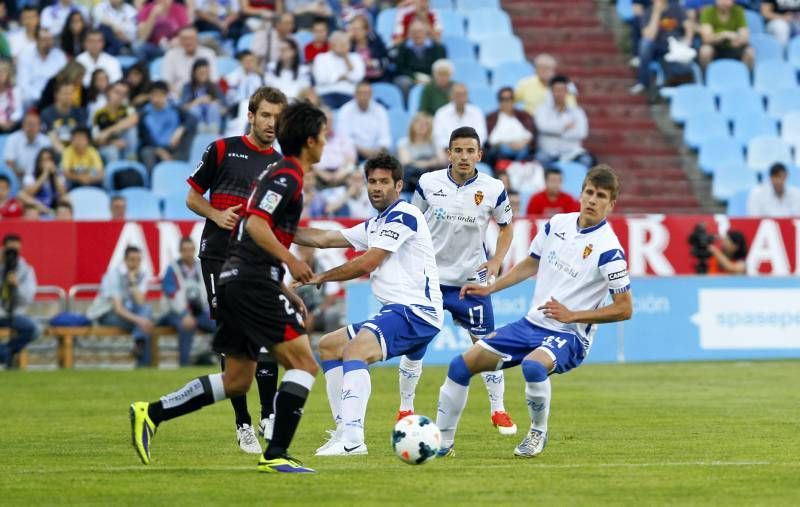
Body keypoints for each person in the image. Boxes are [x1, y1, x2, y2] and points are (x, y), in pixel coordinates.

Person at [130, 101, 325, 474]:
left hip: (239, 276)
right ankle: (276, 452)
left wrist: (283, 284)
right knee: (303, 363)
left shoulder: (277, 171)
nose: (326, 143)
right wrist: (291, 261)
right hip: (250, 280)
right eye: (324, 136)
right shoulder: (287, 176)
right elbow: (254, 225)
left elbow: (250, 229)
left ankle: (151, 413)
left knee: (237, 380)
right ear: (311, 141)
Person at [434, 165, 633, 458]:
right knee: (460, 365)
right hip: (531, 324)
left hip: (570, 335)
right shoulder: (557, 224)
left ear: (610, 204)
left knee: (533, 366)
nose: (592, 200)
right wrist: (491, 288)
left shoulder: (609, 250)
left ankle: (537, 432)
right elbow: (530, 263)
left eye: (601, 196)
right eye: (589, 192)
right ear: (580, 193)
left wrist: (572, 315)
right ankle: (442, 443)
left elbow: (625, 308)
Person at [291, 153, 442, 456]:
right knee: (330, 345)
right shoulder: (375, 224)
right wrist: (272, 228)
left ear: (398, 185)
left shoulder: (405, 214)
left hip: (416, 311)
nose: (376, 187)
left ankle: (353, 439)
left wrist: (320, 275)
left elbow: (367, 263)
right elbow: (323, 238)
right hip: (397, 310)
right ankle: (342, 431)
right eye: (372, 181)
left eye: (384, 182)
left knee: (354, 350)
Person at [186, 86, 287, 454]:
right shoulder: (222, 149)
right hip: (218, 254)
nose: (271, 123)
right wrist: (216, 214)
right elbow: (192, 196)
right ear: (251, 115)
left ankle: (268, 414)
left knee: (267, 331)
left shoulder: (280, 164)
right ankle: (243, 423)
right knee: (235, 337)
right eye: (265, 115)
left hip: (257, 259)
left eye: (277, 117)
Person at [396, 126, 517, 432]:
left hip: (470, 281)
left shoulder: (493, 188)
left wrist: (497, 260)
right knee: (415, 344)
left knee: (488, 345)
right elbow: (413, 223)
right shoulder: (427, 183)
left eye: (470, 151)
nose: (464, 157)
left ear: (480, 154)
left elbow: (506, 226)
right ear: (448, 153)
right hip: (431, 278)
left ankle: (498, 409)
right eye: (458, 150)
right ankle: (405, 407)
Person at [87, 245, 155, 367]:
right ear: (125, 260)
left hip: (127, 314)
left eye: (138, 260)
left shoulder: (141, 275)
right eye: (132, 260)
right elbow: (118, 309)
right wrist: (140, 320)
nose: (135, 263)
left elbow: (140, 303)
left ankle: (139, 344)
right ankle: (143, 362)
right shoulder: (113, 275)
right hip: (106, 314)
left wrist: (132, 281)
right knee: (146, 323)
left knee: (147, 311)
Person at [160, 237, 216, 366]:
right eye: (185, 250)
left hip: (199, 310)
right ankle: (184, 364)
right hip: (175, 313)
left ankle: (210, 357)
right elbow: (171, 296)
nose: (188, 253)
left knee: (219, 324)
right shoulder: (172, 269)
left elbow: (207, 290)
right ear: (180, 251)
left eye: (191, 250)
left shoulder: (201, 267)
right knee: (187, 325)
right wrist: (185, 314)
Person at [630, 0, 694, 94]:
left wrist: (688, 40)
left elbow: (688, 26)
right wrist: (657, 13)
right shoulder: (648, 12)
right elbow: (649, 36)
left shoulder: (676, 8)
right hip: (656, 46)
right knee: (645, 44)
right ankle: (643, 82)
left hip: (674, 45)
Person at [0, 233, 39, 368]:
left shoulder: (25, 269)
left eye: (15, 251)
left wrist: (17, 286)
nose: (12, 254)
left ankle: (5, 353)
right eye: (9, 250)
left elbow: (28, 297)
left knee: (34, 329)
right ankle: (5, 355)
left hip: (13, 313)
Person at [535, 75, 591, 168]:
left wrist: (554, 131)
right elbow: (542, 127)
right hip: (548, 152)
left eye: (562, 90)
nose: (559, 93)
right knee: (539, 160)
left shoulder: (577, 112)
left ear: (567, 92)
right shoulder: (542, 110)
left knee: (587, 161)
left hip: (572, 152)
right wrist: (564, 126)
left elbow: (582, 133)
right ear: (551, 92)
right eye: (556, 90)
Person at [139, 81, 197, 170]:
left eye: (160, 95)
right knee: (146, 152)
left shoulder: (175, 108)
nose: (156, 99)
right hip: (155, 149)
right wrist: (160, 151)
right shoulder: (144, 113)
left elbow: (193, 119)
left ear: (166, 95)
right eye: (153, 95)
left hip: (173, 146)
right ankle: (153, 180)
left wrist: (180, 130)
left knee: (190, 132)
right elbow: (145, 138)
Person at [336, 81, 391, 162]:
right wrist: (364, 152)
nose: (364, 96)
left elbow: (385, 138)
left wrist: (377, 151)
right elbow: (344, 138)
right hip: (354, 152)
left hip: (377, 153)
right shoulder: (345, 111)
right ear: (355, 95)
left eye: (367, 93)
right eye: (361, 93)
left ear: (371, 94)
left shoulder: (380, 110)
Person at [392, 19, 447, 97]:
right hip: (410, 78)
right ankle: (407, 106)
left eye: (420, 31)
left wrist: (428, 79)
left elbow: (441, 66)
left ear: (426, 32)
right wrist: (415, 78)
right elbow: (400, 68)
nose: (417, 35)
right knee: (403, 82)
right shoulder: (402, 47)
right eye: (414, 32)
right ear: (409, 34)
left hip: (432, 77)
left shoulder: (438, 48)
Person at [312, 31, 366, 109]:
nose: (344, 46)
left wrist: (345, 57)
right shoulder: (321, 58)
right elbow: (320, 79)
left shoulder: (355, 57)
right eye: (340, 44)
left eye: (345, 43)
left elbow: (359, 77)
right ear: (332, 45)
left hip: (349, 93)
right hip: (326, 93)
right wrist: (340, 77)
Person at [16, 28, 67, 109]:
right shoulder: (26, 54)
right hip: (32, 97)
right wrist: (41, 97)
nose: (48, 43)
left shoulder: (60, 56)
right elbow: (23, 84)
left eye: (50, 39)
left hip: (53, 97)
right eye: (44, 39)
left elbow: (63, 81)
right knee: (25, 101)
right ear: (37, 40)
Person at [485, 86, 537, 167]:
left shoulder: (523, 116)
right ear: (499, 101)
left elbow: (530, 135)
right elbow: (491, 140)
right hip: (502, 148)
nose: (507, 102)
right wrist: (510, 144)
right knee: (503, 149)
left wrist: (523, 142)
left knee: (525, 150)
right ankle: (513, 168)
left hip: (521, 146)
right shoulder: (492, 118)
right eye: (503, 99)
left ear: (514, 100)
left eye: (509, 99)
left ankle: (514, 168)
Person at [396, 112, 446, 193]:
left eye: (425, 124)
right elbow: (406, 161)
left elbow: (443, 160)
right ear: (412, 126)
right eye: (419, 123)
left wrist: (422, 163)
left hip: (431, 179)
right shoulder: (403, 142)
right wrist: (431, 161)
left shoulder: (434, 142)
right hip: (412, 180)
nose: (422, 126)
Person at [163, 26, 218, 98]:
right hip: (178, 94)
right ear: (179, 40)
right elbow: (166, 81)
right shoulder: (171, 55)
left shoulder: (208, 54)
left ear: (197, 39)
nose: (188, 42)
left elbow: (213, 79)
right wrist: (182, 96)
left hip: (203, 94)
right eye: (184, 39)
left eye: (191, 38)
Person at [93, 81, 139, 163]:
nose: (120, 96)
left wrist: (108, 131)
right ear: (108, 92)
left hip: (124, 144)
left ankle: (131, 163)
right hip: (106, 146)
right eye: (117, 92)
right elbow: (96, 139)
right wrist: (113, 142)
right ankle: (116, 172)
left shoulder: (126, 109)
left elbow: (134, 119)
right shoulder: (99, 113)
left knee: (132, 131)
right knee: (112, 151)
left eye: (124, 94)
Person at [698, 0, 754, 69]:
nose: (723, 2)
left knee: (750, 52)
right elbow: (706, 38)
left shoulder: (738, 11)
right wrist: (724, 35)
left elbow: (745, 37)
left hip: (734, 47)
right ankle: (706, 77)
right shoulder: (707, 11)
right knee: (705, 51)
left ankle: (745, 76)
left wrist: (737, 40)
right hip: (715, 47)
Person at [432, 83, 487, 150]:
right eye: (458, 94)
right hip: (448, 152)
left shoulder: (477, 112)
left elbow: (481, 136)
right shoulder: (441, 113)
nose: (461, 98)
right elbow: (438, 138)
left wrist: (466, 148)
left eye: (464, 94)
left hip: (471, 152)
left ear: (467, 96)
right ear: (451, 96)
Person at [180, 59, 226, 134]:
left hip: (213, 119)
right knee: (195, 109)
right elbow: (183, 108)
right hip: (196, 122)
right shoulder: (187, 87)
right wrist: (198, 101)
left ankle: (213, 135)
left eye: (205, 73)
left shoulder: (214, 86)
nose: (203, 75)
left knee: (213, 107)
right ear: (194, 73)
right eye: (200, 73)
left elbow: (225, 108)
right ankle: (199, 136)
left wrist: (211, 102)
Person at [40, 82, 88, 154]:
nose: (69, 96)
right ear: (56, 95)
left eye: (71, 93)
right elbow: (51, 137)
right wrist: (66, 156)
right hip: (55, 152)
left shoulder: (80, 112)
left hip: (76, 152)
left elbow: (82, 136)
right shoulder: (47, 113)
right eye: (65, 93)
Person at [4, 112, 51, 182]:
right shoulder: (13, 139)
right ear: (23, 125)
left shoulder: (46, 141)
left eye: (35, 125)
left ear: (39, 126)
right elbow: (9, 164)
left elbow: (49, 162)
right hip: (18, 178)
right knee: (28, 180)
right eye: (29, 124)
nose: (32, 128)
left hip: (40, 177)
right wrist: (23, 173)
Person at [20, 148, 69, 216]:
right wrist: (44, 174)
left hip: (54, 205)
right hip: (37, 207)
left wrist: (54, 174)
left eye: (49, 160)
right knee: (21, 195)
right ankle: (46, 211)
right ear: (38, 162)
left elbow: (62, 192)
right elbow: (29, 193)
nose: (46, 163)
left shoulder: (58, 174)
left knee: (66, 198)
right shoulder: (31, 175)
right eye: (43, 160)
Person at [349, 14, 389, 83]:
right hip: (357, 80)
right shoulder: (349, 44)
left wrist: (373, 63)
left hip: (377, 78)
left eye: (358, 29)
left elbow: (387, 61)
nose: (355, 32)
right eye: (353, 29)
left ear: (366, 30)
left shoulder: (376, 41)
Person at [0, 60, 22, 133]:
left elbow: (19, 111)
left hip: (13, 125)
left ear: (8, 75)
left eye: (3, 73)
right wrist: (1, 122)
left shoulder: (15, 90)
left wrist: (11, 121)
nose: (0, 76)